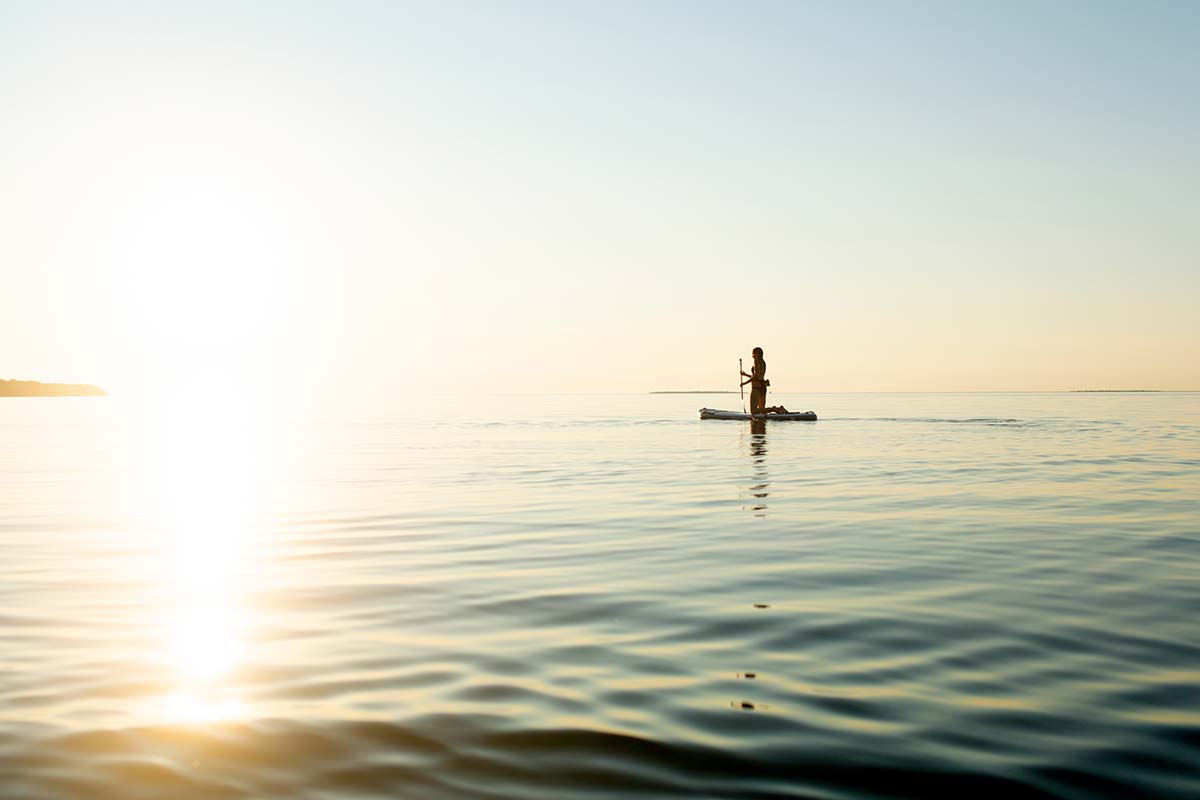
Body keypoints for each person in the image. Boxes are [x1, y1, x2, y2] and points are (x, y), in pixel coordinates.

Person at [741, 347, 789, 415]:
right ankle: (776, 410)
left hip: (756, 388)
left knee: (753, 411)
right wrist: (745, 374)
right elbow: (758, 376)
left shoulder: (756, 361)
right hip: (763, 387)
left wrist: (744, 383)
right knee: (762, 411)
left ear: (757, 354)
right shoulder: (763, 362)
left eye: (753, 353)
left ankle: (776, 409)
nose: (752, 355)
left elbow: (755, 376)